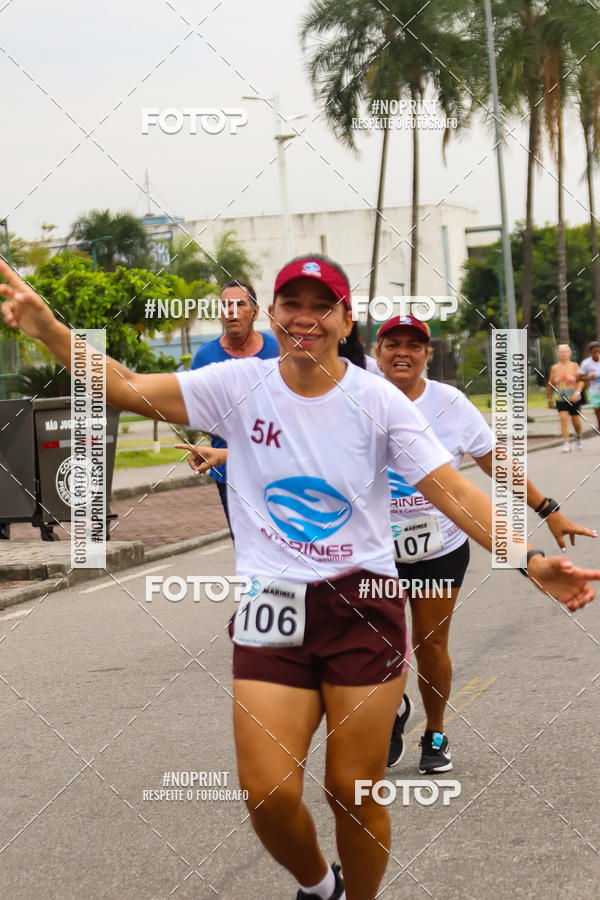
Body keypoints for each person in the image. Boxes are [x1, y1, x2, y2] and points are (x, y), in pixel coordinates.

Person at [2, 254, 598, 900]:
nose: (305, 319)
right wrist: (47, 329)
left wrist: (529, 559)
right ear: (272, 315)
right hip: (273, 606)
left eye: (323, 307)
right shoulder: (237, 384)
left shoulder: (378, 402)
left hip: (363, 606)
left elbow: (454, 492)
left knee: (352, 790)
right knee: (267, 794)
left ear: (345, 320)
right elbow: (124, 384)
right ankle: (320, 887)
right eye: (293, 305)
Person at [374, 315, 597, 774]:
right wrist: (229, 455)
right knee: (378, 647)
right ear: (377, 353)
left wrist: (547, 507)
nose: (402, 352)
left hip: (439, 546)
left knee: (430, 647)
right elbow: (307, 451)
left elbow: (497, 462)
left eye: (413, 345)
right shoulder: (356, 399)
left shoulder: (450, 403)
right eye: (392, 343)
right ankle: (393, 709)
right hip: (373, 550)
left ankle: (434, 732)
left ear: (427, 355)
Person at [189, 280, 279, 533]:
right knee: (246, 547)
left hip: (276, 469)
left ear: (255, 311)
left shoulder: (277, 351)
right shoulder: (205, 357)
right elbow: (197, 409)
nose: (232, 311)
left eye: (239, 304)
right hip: (229, 472)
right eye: (226, 305)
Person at [547, 345, 584, 452]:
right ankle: (566, 443)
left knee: (576, 421)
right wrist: (549, 399)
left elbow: (581, 381)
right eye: (561, 352)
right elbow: (550, 384)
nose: (563, 354)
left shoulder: (575, 366)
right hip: (560, 398)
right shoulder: (554, 368)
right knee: (563, 419)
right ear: (558, 354)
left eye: (565, 352)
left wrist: (577, 393)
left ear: (569, 353)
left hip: (574, 398)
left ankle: (579, 435)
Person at [577, 340, 600, 433]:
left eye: (598, 351)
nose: (596, 354)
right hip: (594, 391)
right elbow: (579, 377)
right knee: (597, 410)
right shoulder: (586, 363)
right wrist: (590, 377)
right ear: (590, 352)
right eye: (594, 352)